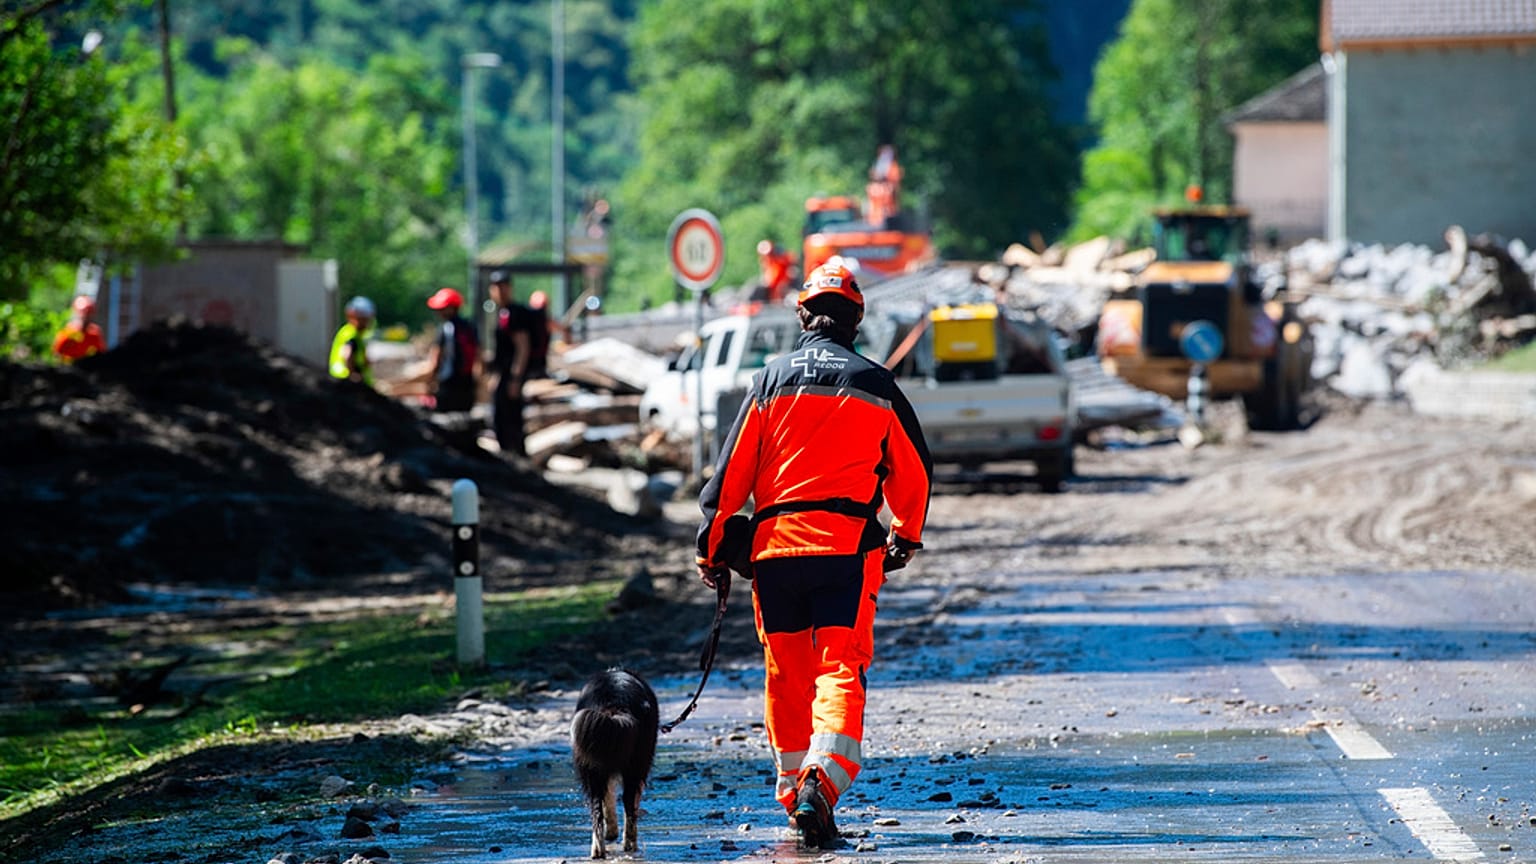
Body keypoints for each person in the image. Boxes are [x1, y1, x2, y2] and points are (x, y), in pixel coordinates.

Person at [694, 258, 932, 849]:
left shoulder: (769, 381)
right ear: (856, 320)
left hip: (774, 557)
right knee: (838, 669)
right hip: (845, 554)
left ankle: (796, 787)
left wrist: (714, 547)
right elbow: (915, 473)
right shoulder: (876, 384)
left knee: (787, 675)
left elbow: (728, 482)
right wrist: (905, 532)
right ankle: (820, 785)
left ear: (802, 314)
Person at [488, 272, 531, 456]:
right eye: (496, 287)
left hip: (511, 376)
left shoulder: (515, 314)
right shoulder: (501, 314)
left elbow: (523, 348)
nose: (500, 290)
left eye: (503, 286)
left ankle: (517, 461)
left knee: (510, 421)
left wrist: (515, 379)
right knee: (501, 419)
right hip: (503, 374)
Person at [425, 287, 479, 412]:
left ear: (451, 308)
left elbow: (436, 358)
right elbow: (478, 355)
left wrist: (431, 381)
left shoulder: (446, 329)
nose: (438, 312)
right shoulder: (469, 326)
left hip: (448, 384)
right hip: (467, 384)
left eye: (441, 309)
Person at [328, 296, 376, 386]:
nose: (367, 323)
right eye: (365, 319)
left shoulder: (354, 334)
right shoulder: (351, 335)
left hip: (342, 381)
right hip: (345, 382)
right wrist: (353, 375)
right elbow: (347, 355)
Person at [52, 295, 107, 363]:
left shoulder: (94, 334)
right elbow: (57, 355)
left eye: (89, 313)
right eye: (83, 313)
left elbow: (101, 355)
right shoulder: (67, 334)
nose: (85, 317)